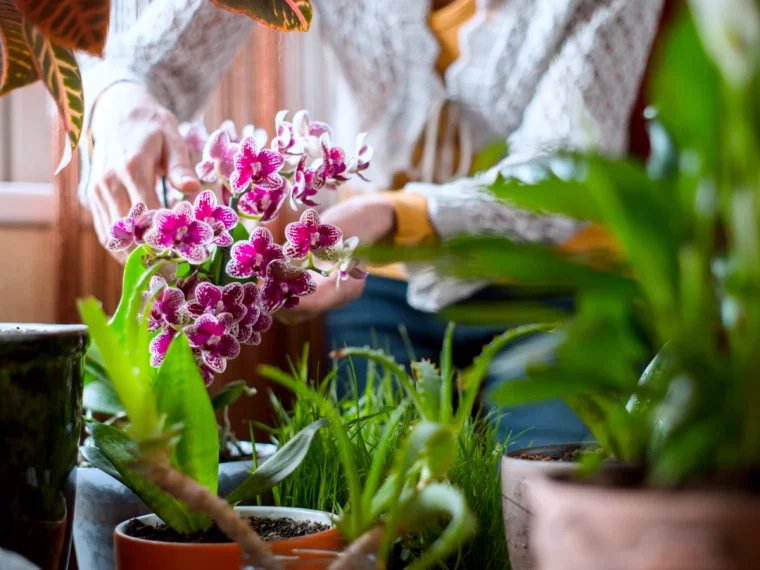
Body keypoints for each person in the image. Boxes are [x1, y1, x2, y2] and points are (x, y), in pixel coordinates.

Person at [80, 0, 665, 447]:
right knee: (368, 488)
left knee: (553, 499)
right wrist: (119, 97)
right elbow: (148, 52)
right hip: (379, 286)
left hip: (561, 282)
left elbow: (563, 171)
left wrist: (396, 215)